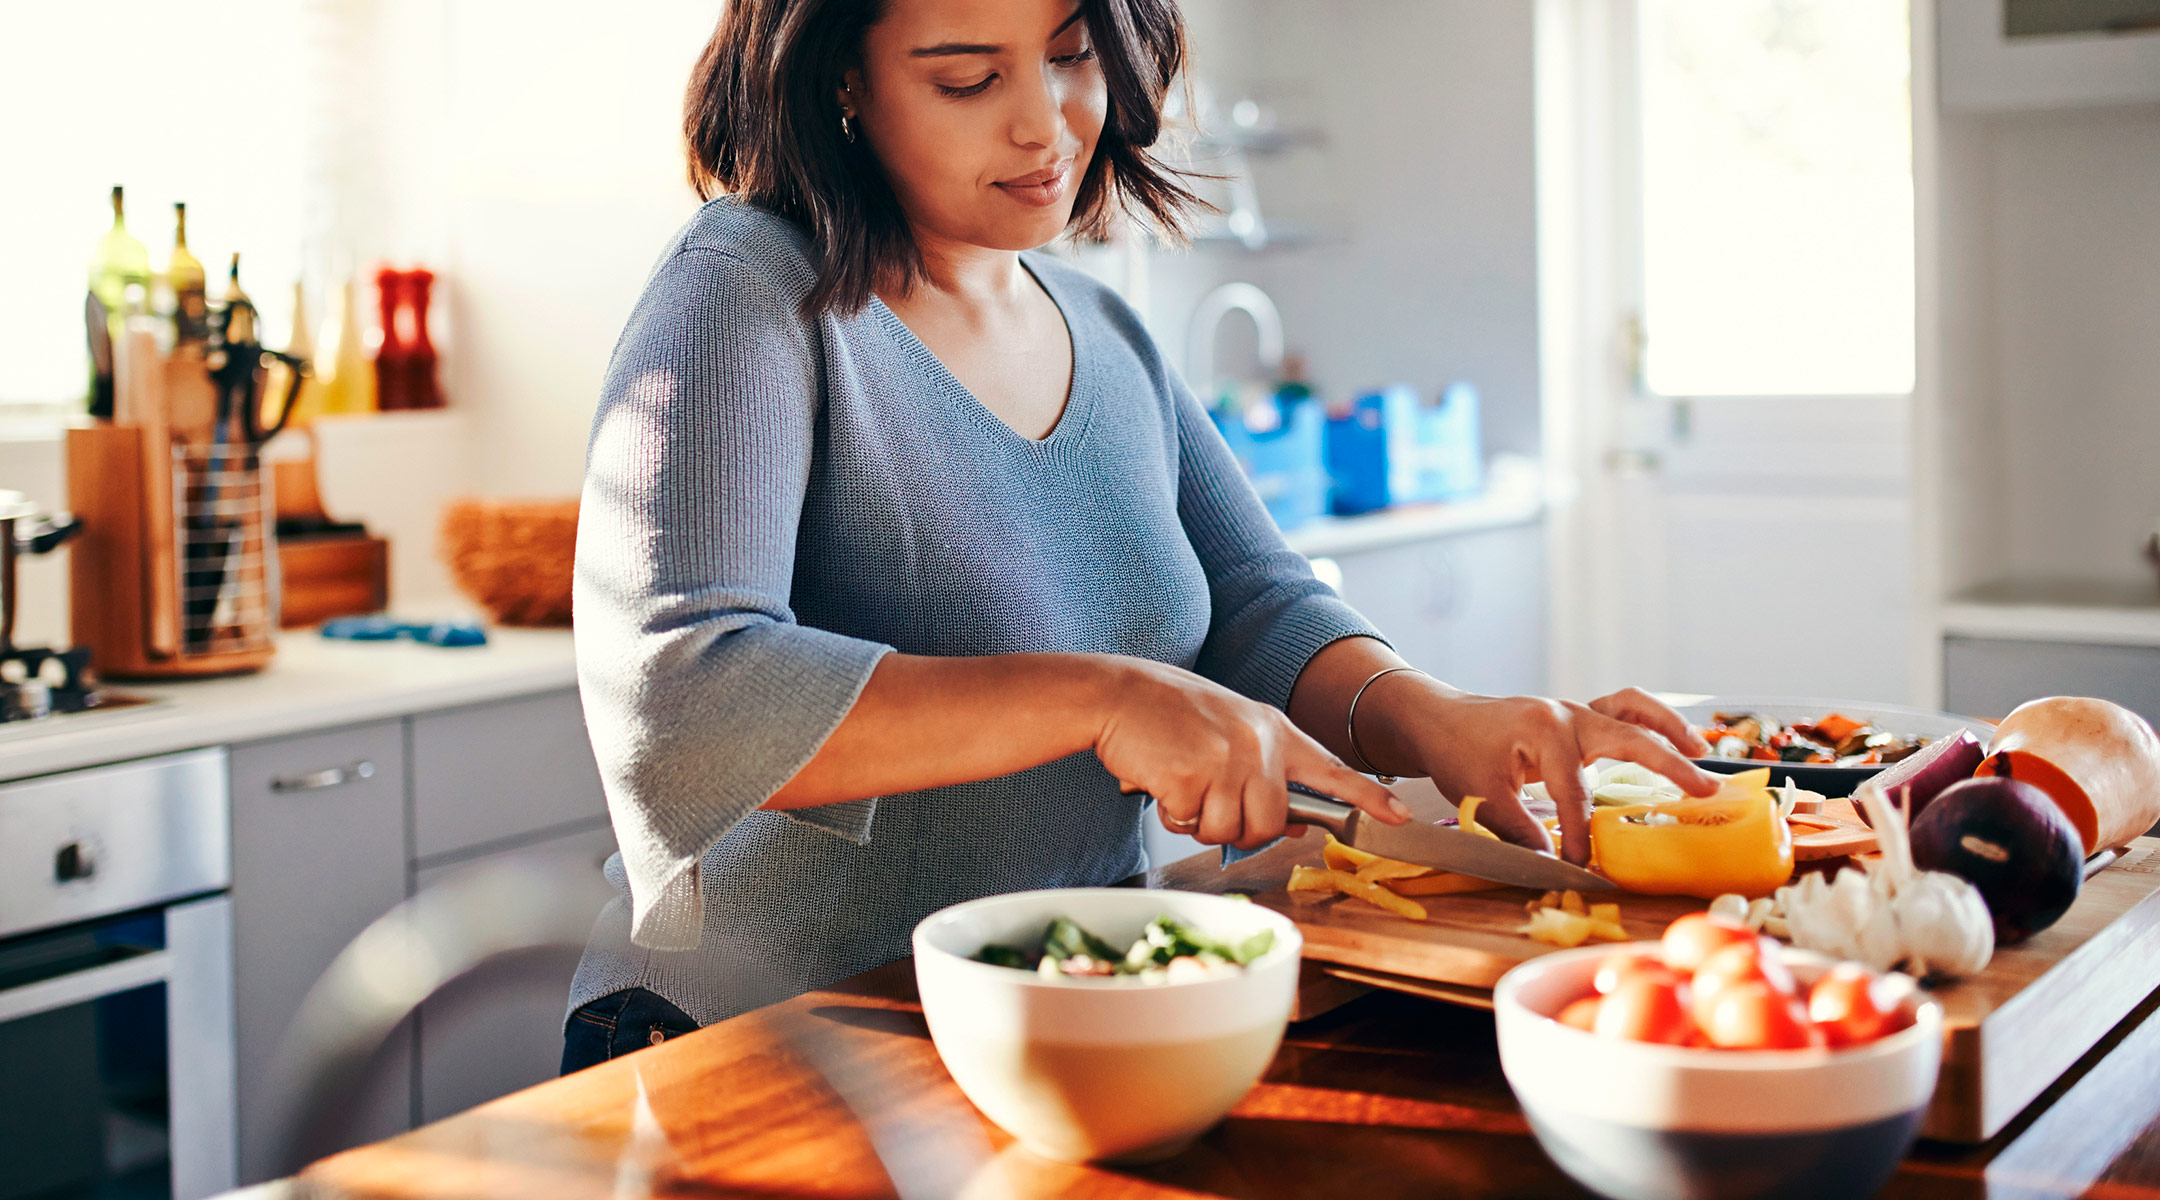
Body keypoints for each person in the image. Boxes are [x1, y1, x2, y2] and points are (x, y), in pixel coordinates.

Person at [560, 0, 1719, 1071]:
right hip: (761, 1031)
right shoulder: (744, 290)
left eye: (1071, 55)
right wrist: (1103, 698)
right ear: (841, 84)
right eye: (968, 78)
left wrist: (1436, 717)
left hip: (1044, 1011)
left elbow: (1262, 606)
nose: (1045, 121)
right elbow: (684, 694)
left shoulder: (1102, 326)